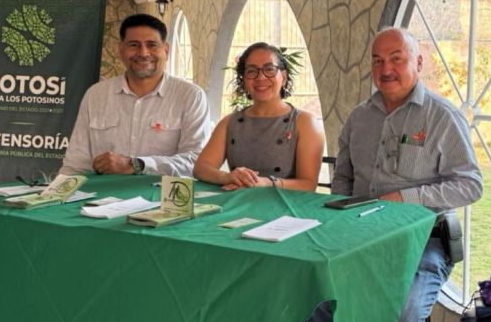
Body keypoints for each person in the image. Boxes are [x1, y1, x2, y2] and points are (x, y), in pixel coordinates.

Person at [308, 27, 483, 322]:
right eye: (377, 60)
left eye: (397, 58)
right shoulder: (358, 117)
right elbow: (344, 177)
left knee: (405, 317)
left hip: (422, 240)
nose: (386, 69)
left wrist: (406, 197)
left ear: (417, 62)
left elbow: (471, 185)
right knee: (313, 292)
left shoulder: (442, 117)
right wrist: (342, 211)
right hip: (361, 234)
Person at [59, 14, 210, 177]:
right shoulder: (96, 95)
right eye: (134, 45)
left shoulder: (190, 96)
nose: (143, 53)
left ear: (165, 50)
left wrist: (137, 165)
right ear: (121, 50)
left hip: (162, 198)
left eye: (152, 45)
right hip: (102, 197)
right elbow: (76, 164)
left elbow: (196, 161)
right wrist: (56, 196)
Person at [194, 42, 324, 191]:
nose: (260, 77)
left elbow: (308, 184)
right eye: (251, 71)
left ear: (284, 76)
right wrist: (226, 177)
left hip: (286, 209)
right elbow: (201, 168)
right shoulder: (229, 123)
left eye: (269, 69)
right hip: (238, 204)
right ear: (243, 79)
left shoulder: (305, 123)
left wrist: (268, 183)